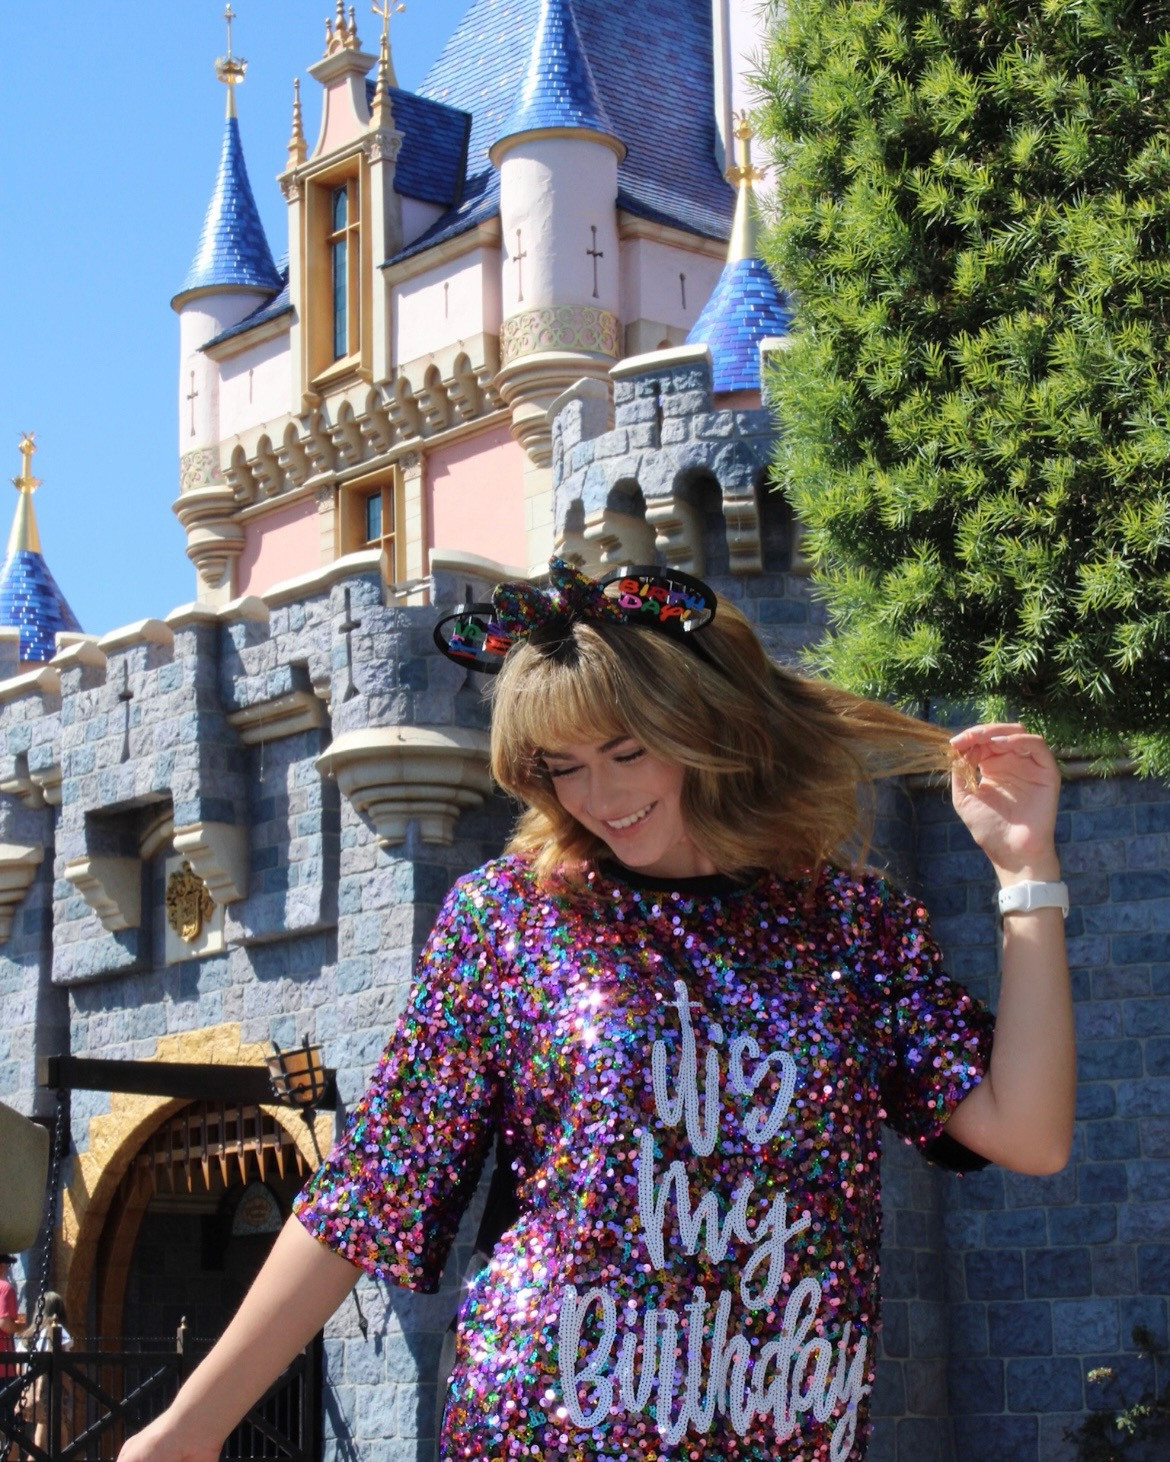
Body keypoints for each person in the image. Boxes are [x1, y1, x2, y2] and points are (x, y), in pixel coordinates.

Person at [119, 560, 1073, 1461]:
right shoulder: (512, 913)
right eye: (561, 764)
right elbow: (376, 1186)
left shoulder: (853, 925)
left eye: (626, 750)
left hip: (790, 1425)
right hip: (550, 1417)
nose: (600, 794)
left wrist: (1027, 873)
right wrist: (191, 1427)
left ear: (707, 728)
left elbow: (1027, 1133)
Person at [19, 1292, 72, 1456]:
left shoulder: (28, 1335)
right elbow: (61, 1364)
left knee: (39, 1437)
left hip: (29, 1389)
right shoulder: (57, 1330)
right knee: (54, 1438)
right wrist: (69, 1387)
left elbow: (18, 1367)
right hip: (50, 1388)